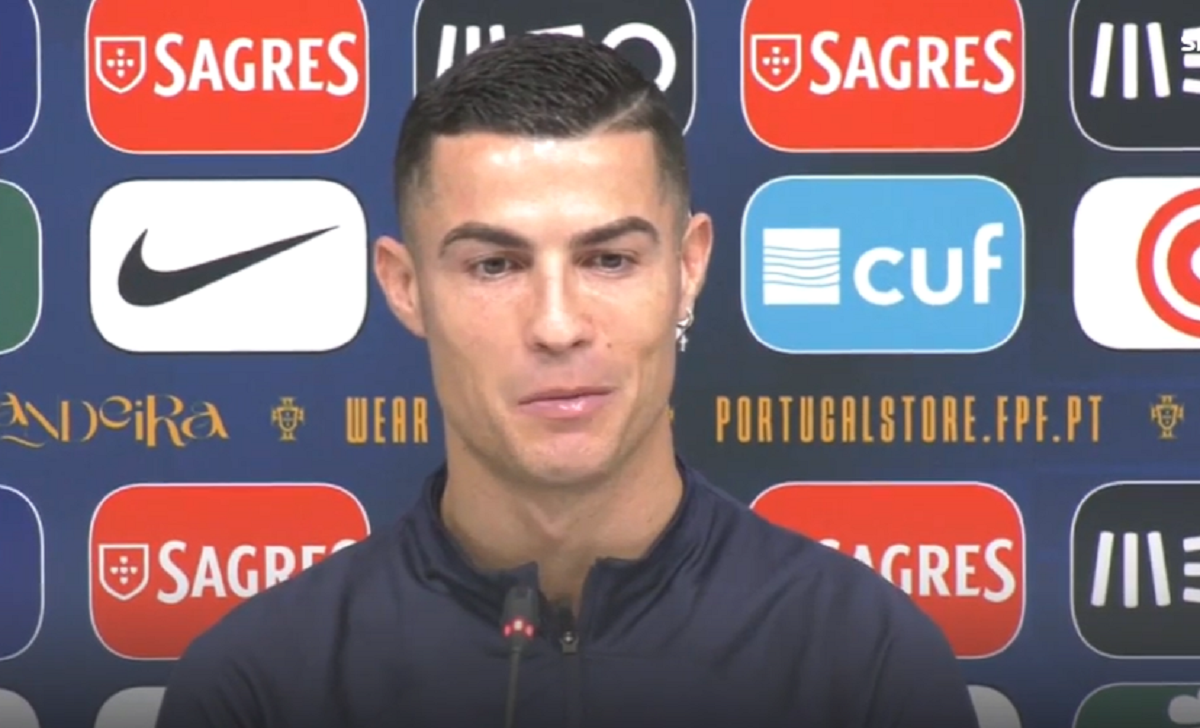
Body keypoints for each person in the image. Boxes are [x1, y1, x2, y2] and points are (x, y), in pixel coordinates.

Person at [154, 34, 980, 728]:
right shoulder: (258, 687)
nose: (557, 325)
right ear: (406, 288)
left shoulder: (865, 662)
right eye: (495, 265)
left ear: (689, 269)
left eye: (609, 259)